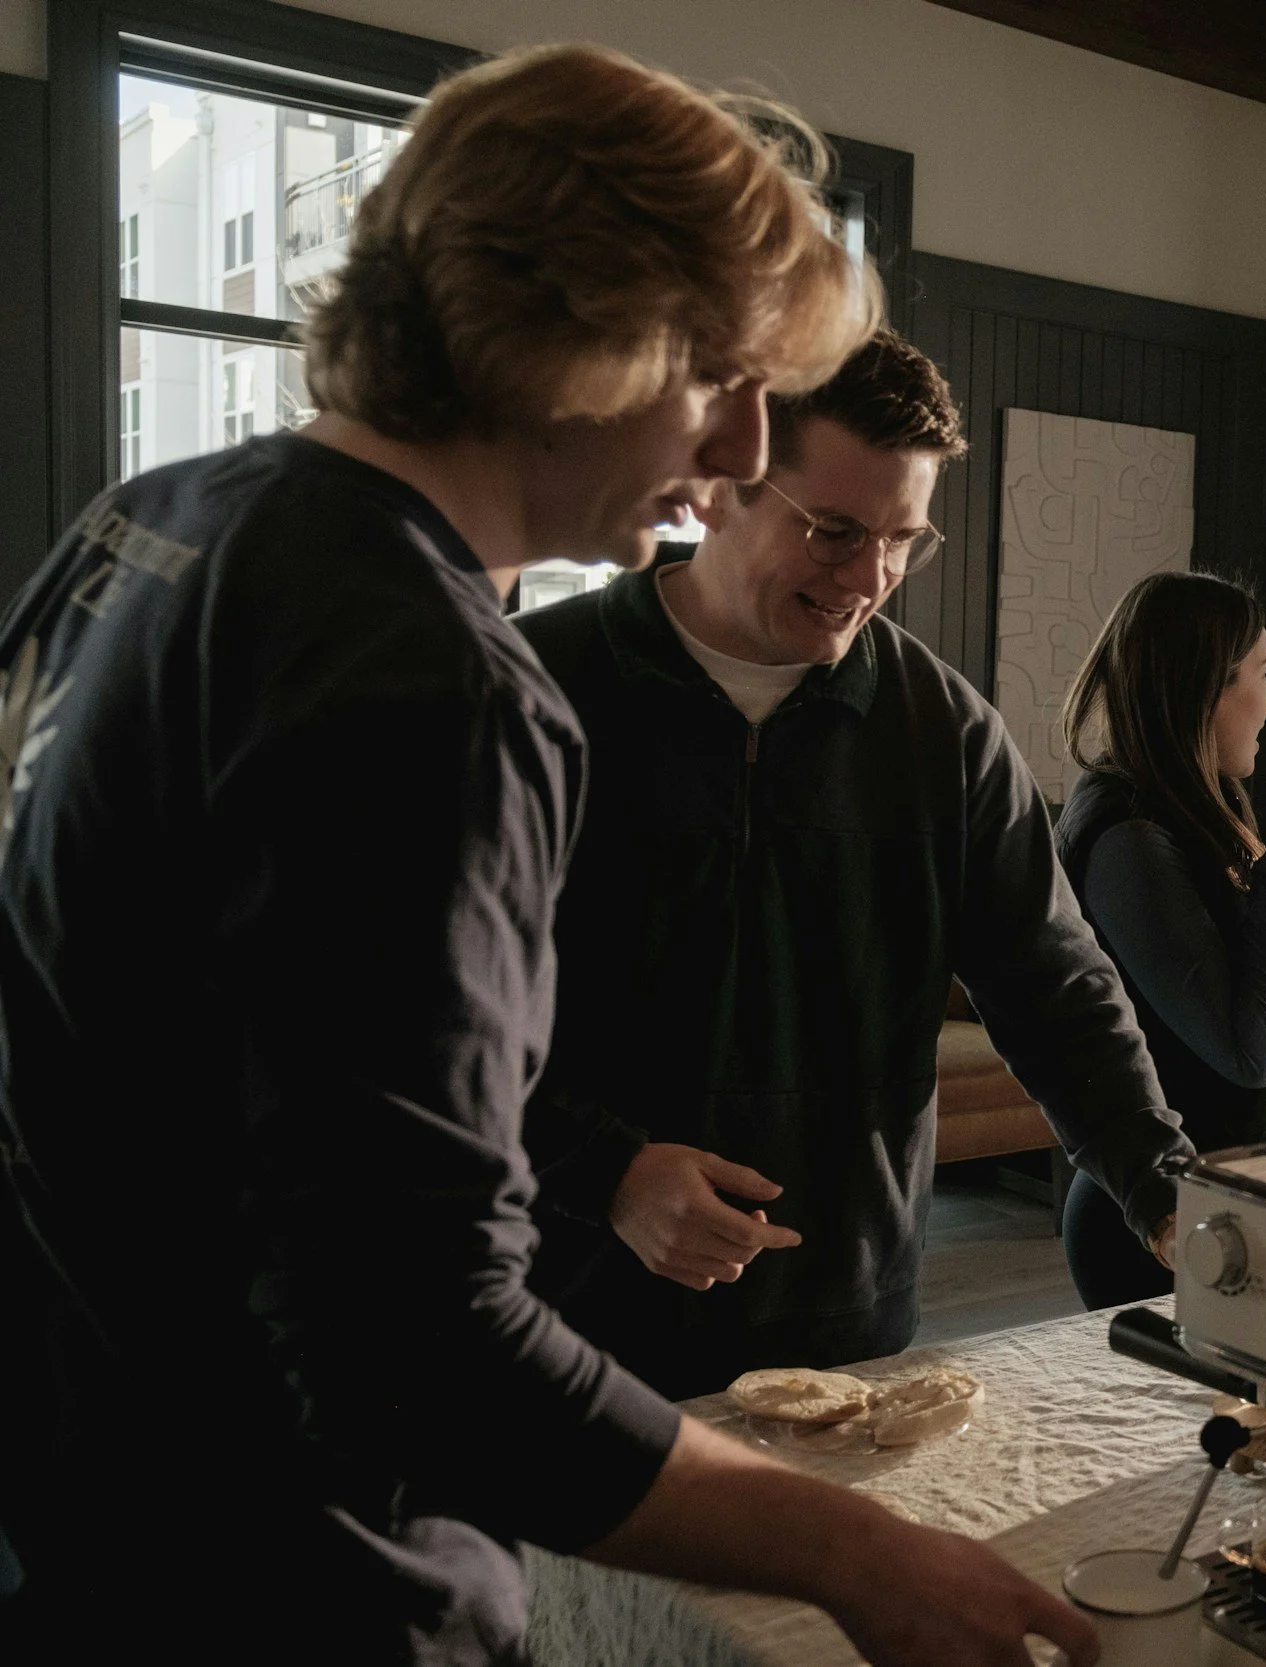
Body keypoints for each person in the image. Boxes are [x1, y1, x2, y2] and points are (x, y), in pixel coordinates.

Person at [0, 44, 1094, 1667]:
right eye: (722, 377)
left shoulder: (154, 522)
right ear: (569, 327)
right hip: (293, 1574)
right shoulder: (423, 666)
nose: (738, 451)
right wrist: (855, 1549)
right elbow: (416, 1347)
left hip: (89, 1503)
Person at [514, 331, 1194, 1397]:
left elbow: (1054, 986)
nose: (869, 578)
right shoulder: (530, 688)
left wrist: (1163, 1187)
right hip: (559, 1300)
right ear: (719, 488)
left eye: (901, 540)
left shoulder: (945, 732)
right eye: (833, 530)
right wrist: (605, 1174)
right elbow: (410, 1001)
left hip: (843, 1314)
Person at [1052, 572, 1266, 1305]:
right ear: (1204, 686)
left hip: (1214, 1197)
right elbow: (1243, 1054)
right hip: (1152, 1220)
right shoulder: (1131, 837)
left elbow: (1207, 1009)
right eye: (1261, 674)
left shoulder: (1188, 804)